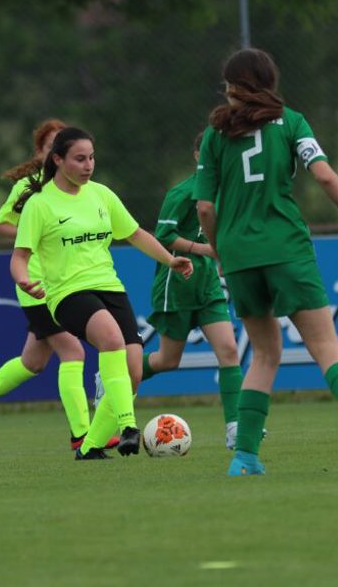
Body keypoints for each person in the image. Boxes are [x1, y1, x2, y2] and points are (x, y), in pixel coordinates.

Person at [194, 48, 338, 477]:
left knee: (264, 355)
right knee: (325, 345)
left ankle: (245, 457)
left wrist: (221, 252)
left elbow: (205, 208)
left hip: (239, 254)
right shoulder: (292, 121)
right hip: (286, 247)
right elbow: (322, 174)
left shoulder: (214, 135)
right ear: (270, 81)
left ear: (231, 86)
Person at [11, 126, 193, 460]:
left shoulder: (101, 195)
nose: (88, 165)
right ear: (58, 160)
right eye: (79, 159)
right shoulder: (40, 204)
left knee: (133, 371)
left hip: (110, 287)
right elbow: (19, 257)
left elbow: (136, 234)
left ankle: (90, 446)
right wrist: (23, 279)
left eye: (92, 158)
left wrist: (170, 260)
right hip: (67, 294)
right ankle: (128, 426)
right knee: (110, 339)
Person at [0, 119, 118, 451]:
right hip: (36, 282)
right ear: (47, 154)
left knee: (33, 361)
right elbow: (2, 223)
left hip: (68, 281)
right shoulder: (30, 188)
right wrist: (33, 238)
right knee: (73, 351)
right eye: (52, 146)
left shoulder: (81, 191)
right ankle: (82, 434)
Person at [97, 131, 244, 449]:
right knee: (167, 360)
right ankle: (111, 379)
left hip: (207, 285)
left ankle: (235, 428)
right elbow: (163, 236)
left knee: (230, 352)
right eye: (210, 153)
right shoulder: (183, 193)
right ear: (197, 157)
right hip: (175, 284)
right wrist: (207, 251)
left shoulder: (228, 193)